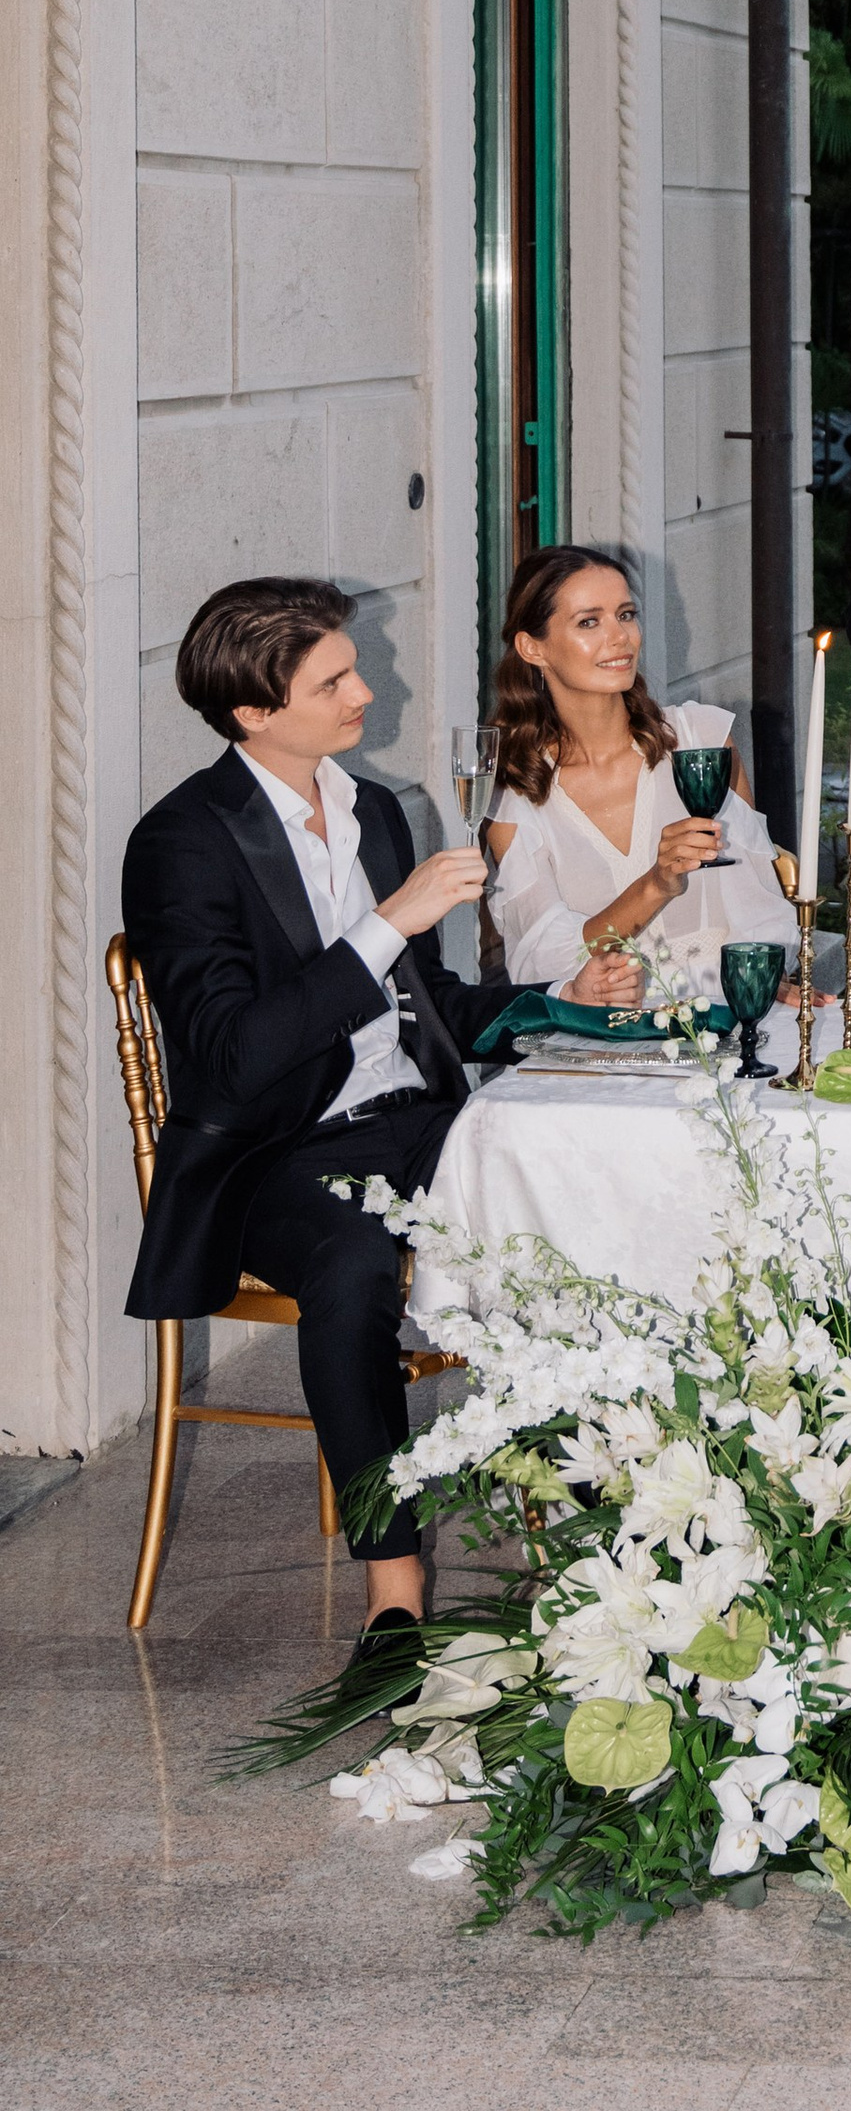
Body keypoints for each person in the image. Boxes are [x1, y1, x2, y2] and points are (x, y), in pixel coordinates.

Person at [120, 578, 638, 1678]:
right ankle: (393, 1598)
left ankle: (615, 1537)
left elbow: (431, 1008)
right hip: (277, 1152)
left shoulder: (376, 808)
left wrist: (560, 1002)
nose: (367, 690)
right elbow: (234, 1055)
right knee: (353, 1266)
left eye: (355, 666)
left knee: (565, 1201)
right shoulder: (181, 841)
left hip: (414, 1119)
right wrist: (384, 922)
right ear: (253, 712)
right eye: (335, 681)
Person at [485, 544, 796, 1004]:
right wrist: (657, 883)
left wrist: (760, 980)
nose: (620, 638)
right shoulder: (517, 790)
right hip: (605, 1027)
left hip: (725, 1012)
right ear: (533, 647)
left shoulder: (700, 741)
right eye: (589, 622)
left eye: (626, 615)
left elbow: (760, 907)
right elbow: (545, 958)